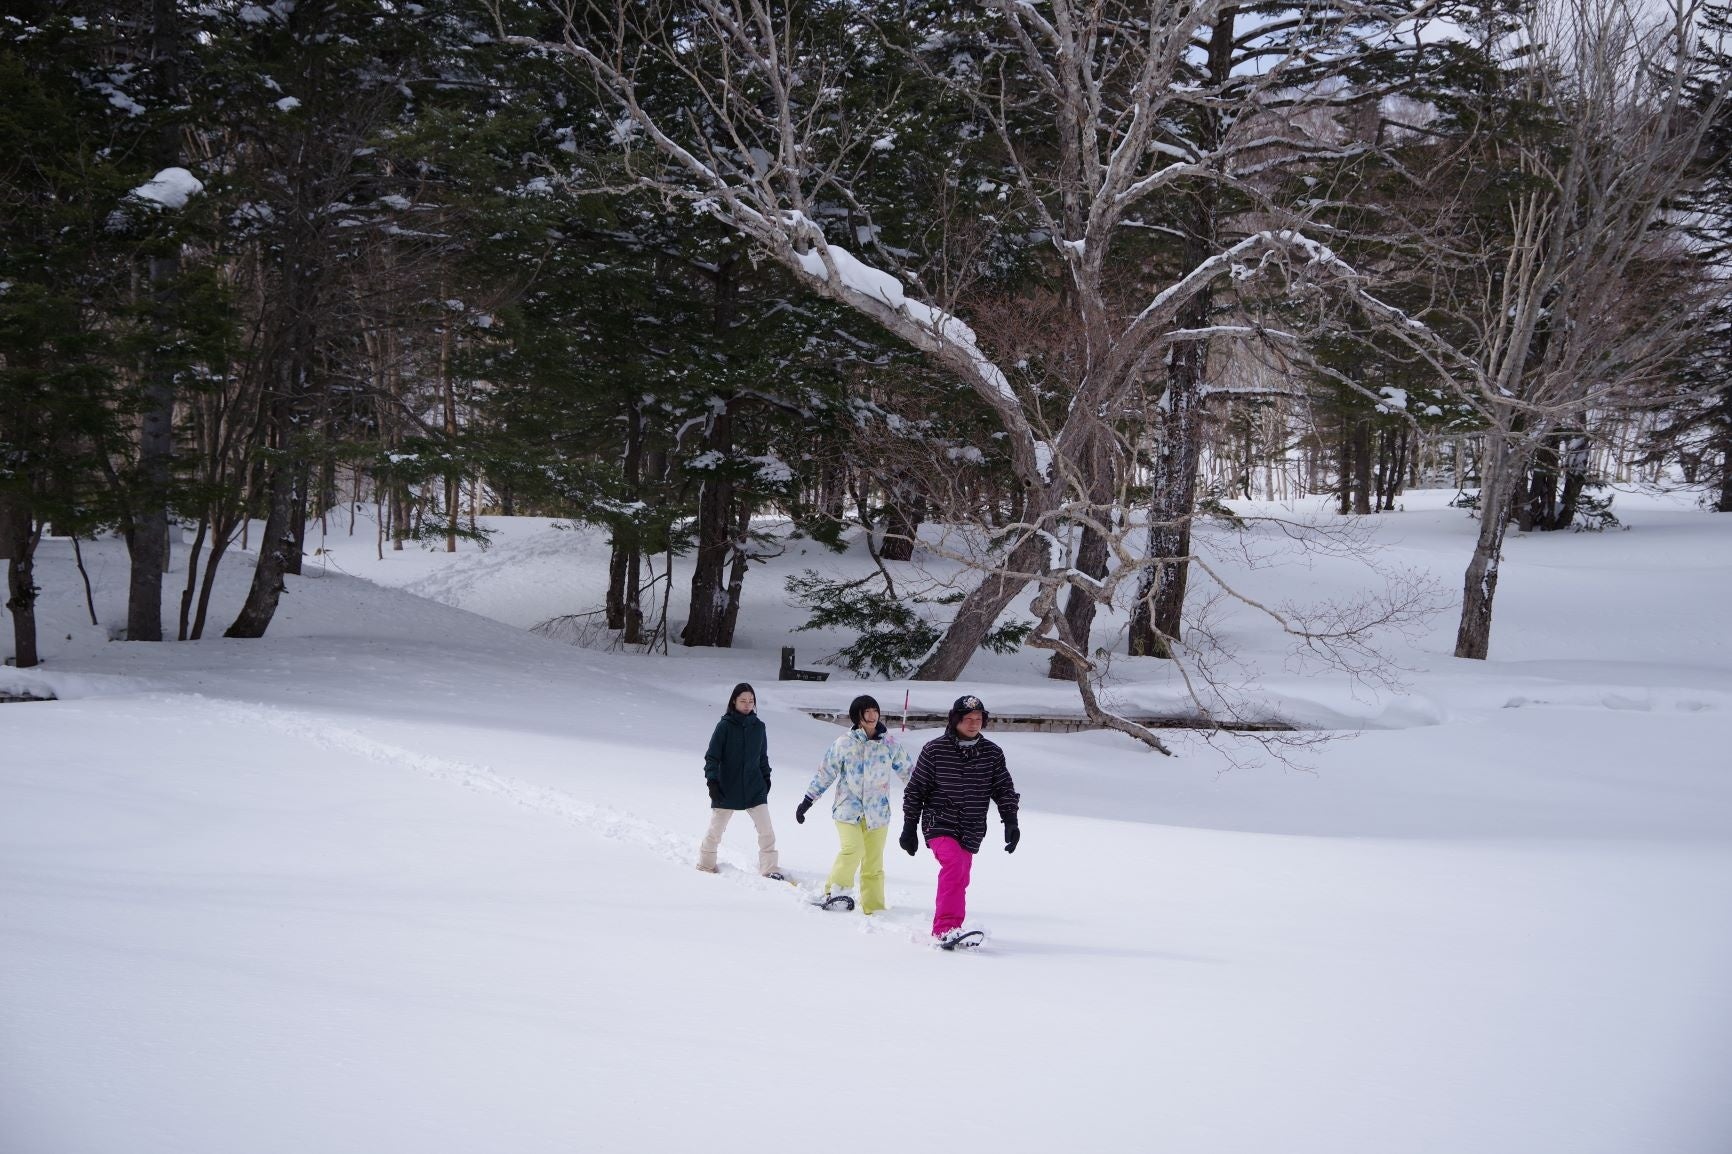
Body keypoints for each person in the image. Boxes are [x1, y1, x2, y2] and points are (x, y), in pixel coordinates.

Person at [900, 694, 1020, 947]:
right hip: (938, 821)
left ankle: (954, 927)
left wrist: (1010, 820)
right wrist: (909, 827)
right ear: (955, 720)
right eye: (968, 719)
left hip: (972, 826)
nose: (974, 723)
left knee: (961, 876)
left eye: (978, 719)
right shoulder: (935, 750)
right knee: (954, 866)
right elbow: (915, 790)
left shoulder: (992, 753)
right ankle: (945, 929)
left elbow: (1003, 789)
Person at [795, 694, 914, 913]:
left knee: (874, 863)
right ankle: (835, 893)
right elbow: (826, 772)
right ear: (857, 716)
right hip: (848, 810)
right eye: (866, 712)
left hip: (878, 813)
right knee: (853, 849)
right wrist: (808, 800)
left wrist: (926, 796)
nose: (872, 716)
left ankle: (874, 906)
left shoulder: (888, 743)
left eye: (875, 711)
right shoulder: (844, 743)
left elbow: (909, 771)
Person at [697, 682, 785, 880]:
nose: (747, 704)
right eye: (743, 700)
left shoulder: (759, 727)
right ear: (734, 702)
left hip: (754, 787)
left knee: (766, 831)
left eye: (751, 701)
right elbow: (712, 757)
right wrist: (712, 782)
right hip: (726, 787)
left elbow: (763, 757)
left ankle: (770, 869)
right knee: (715, 830)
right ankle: (705, 865)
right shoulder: (724, 726)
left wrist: (766, 778)